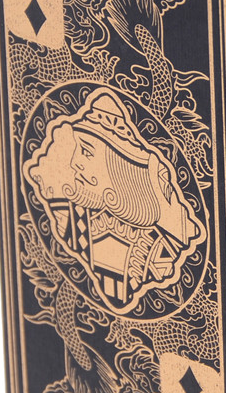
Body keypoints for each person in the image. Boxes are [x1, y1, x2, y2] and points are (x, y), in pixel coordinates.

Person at [24, 89, 205, 312]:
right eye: (77, 150)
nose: (75, 163)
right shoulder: (79, 222)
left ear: (121, 167)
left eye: (86, 152)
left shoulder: (161, 246)